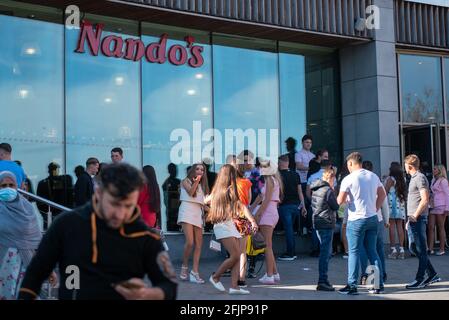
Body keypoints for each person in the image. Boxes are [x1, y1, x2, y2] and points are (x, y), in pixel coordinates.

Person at [18, 163, 177, 300]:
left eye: (128, 205)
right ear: (99, 193)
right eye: (114, 204)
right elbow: (35, 274)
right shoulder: (66, 225)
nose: (120, 214)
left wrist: (148, 294)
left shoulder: (146, 236)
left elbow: (169, 286)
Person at [337, 152, 386, 295]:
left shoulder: (348, 178)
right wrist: (375, 208)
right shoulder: (372, 176)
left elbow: (340, 201)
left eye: (348, 165)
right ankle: (378, 284)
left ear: (351, 163)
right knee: (372, 251)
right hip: (372, 218)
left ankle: (352, 285)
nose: (348, 167)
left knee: (353, 252)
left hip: (356, 219)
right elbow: (382, 194)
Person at [0, 171, 54, 299]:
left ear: (17, 186)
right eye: (3, 185)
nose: (8, 188)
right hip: (3, 264)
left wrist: (48, 268)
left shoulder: (27, 208)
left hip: (27, 263)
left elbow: (35, 241)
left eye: (11, 185)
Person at [207, 165, 257, 295]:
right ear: (230, 176)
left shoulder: (218, 191)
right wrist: (252, 220)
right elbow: (241, 205)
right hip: (224, 226)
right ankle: (215, 277)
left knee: (238, 255)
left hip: (227, 224)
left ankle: (234, 287)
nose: (236, 176)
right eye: (233, 174)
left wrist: (212, 211)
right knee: (236, 255)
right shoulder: (229, 189)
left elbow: (204, 201)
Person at [404, 154, 441, 289]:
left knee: (420, 249)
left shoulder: (420, 178)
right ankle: (432, 274)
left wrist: (414, 215)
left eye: (405, 166)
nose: (405, 168)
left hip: (418, 218)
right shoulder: (414, 178)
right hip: (413, 218)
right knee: (413, 247)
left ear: (409, 166)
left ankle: (420, 279)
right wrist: (410, 219)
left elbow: (425, 199)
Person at [250, 159, 283, 285]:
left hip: (267, 213)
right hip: (271, 212)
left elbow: (266, 200)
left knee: (267, 246)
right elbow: (261, 197)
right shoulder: (271, 181)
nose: (260, 169)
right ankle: (274, 273)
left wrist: (257, 215)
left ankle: (270, 275)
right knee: (268, 245)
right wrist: (251, 209)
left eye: (263, 167)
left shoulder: (269, 181)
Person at [177, 163, 209, 284]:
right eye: (197, 169)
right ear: (193, 170)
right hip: (186, 211)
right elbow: (190, 193)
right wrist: (196, 181)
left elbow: (201, 203)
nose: (200, 171)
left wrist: (213, 210)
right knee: (190, 242)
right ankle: (184, 267)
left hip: (197, 213)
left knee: (199, 244)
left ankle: (194, 272)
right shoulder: (185, 181)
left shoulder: (202, 186)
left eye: (202, 169)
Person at [359, 160, 389, 286]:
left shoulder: (358, 181)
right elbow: (384, 203)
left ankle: (365, 275)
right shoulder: (377, 181)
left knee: (363, 249)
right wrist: (386, 220)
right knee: (378, 249)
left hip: (361, 219)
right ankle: (381, 274)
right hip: (378, 219)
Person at [310, 166, 339, 291]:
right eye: (334, 178)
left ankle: (323, 280)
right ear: (331, 177)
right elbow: (335, 206)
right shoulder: (328, 190)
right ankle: (323, 280)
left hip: (318, 222)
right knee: (325, 253)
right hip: (326, 222)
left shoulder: (316, 189)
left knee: (325, 251)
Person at [277, 154, 306, 261]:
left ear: (280, 163)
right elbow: (300, 192)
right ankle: (291, 251)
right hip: (296, 206)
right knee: (290, 229)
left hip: (284, 206)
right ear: (288, 163)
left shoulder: (278, 175)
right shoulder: (295, 174)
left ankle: (290, 253)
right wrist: (303, 205)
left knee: (288, 229)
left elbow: (278, 192)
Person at [233, 152, 253, 288]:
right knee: (242, 252)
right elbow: (249, 200)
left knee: (233, 250)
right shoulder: (247, 182)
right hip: (244, 218)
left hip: (231, 218)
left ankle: (234, 277)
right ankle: (242, 279)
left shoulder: (229, 183)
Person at [384, 162, 407, 260]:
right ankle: (401, 250)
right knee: (400, 226)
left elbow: (385, 190)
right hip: (400, 204)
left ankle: (393, 250)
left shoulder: (390, 179)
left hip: (392, 204)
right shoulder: (403, 179)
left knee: (392, 227)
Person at [427, 164, 449, 256]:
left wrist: (447, 208)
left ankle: (442, 249)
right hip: (433, 205)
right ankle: (430, 249)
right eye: (433, 169)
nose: (433, 170)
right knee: (431, 227)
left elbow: (448, 194)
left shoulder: (443, 181)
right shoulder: (433, 179)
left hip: (441, 206)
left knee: (441, 227)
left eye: (435, 169)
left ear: (440, 170)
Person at [162, 163, 181, 232]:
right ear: (169, 171)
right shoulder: (166, 183)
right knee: (171, 230)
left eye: (176, 170)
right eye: (173, 170)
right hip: (171, 212)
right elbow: (166, 199)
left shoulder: (179, 182)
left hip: (179, 210)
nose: (175, 171)